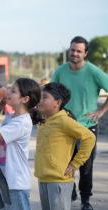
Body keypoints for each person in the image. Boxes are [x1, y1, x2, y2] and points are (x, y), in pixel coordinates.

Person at [51, 36, 108, 210]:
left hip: (87, 126)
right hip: (65, 125)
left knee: (86, 166)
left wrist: (101, 111)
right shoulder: (60, 71)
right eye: (72, 50)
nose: (74, 53)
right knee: (64, 162)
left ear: (85, 53)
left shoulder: (94, 72)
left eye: (78, 51)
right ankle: (71, 188)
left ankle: (85, 201)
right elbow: (51, 94)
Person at [35, 82, 96, 210]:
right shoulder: (44, 121)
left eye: (44, 97)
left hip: (59, 180)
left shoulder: (64, 121)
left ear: (57, 102)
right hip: (43, 178)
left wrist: (75, 163)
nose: (40, 100)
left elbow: (89, 137)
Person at [0, 78, 41, 210]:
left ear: (25, 99)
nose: (8, 92)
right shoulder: (11, 118)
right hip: (5, 179)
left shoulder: (21, 123)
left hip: (16, 182)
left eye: (13, 91)